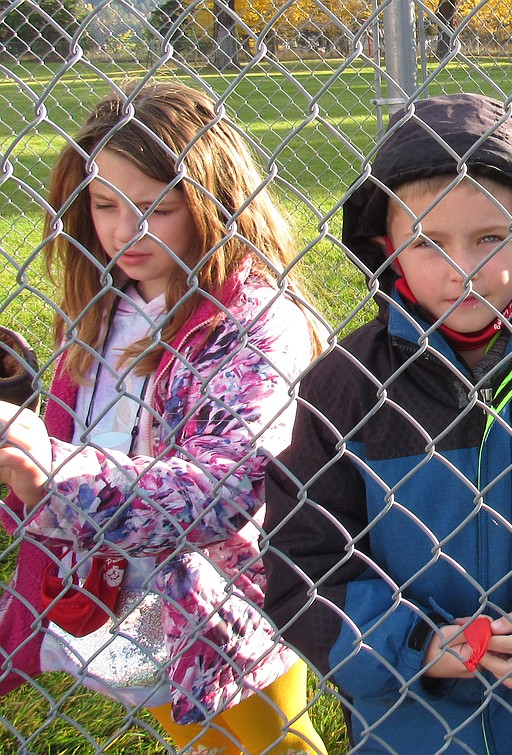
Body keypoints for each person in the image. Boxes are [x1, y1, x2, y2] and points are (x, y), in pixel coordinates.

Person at [262, 92, 512, 754]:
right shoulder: (346, 387)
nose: (463, 271)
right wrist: (414, 642)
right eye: (428, 242)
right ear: (387, 246)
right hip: (410, 726)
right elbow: (304, 559)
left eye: (489, 238)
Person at [0, 81, 328, 755]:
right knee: (197, 743)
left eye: (158, 207)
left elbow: (221, 488)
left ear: (213, 203)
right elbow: (86, 427)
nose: (125, 231)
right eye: (103, 204)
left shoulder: (255, 323)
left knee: (279, 747)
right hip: (119, 602)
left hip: (227, 607)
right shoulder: (104, 307)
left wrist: (56, 476)